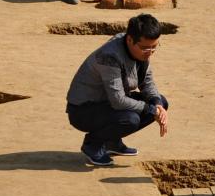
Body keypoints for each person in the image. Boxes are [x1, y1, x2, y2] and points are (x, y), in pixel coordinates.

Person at [65, 14, 169, 166]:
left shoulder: (140, 50)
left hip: (108, 104)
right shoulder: (109, 56)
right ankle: (93, 145)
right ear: (129, 40)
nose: (150, 52)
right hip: (83, 110)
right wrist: (150, 109)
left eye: (155, 47)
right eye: (146, 48)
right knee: (130, 119)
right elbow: (118, 101)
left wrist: (157, 104)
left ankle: (112, 141)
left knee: (162, 102)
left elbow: (147, 82)